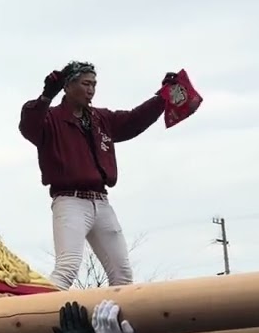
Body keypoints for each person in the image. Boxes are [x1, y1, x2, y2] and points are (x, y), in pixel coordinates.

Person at [19, 62, 174, 289]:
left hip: (101, 202)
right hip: (70, 201)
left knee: (122, 275)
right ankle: (39, 318)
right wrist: (45, 97)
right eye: (85, 83)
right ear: (68, 86)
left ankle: (113, 323)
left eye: (94, 84)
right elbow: (28, 126)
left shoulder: (100, 119)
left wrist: (161, 98)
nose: (91, 89)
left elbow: (133, 121)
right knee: (67, 268)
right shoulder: (50, 119)